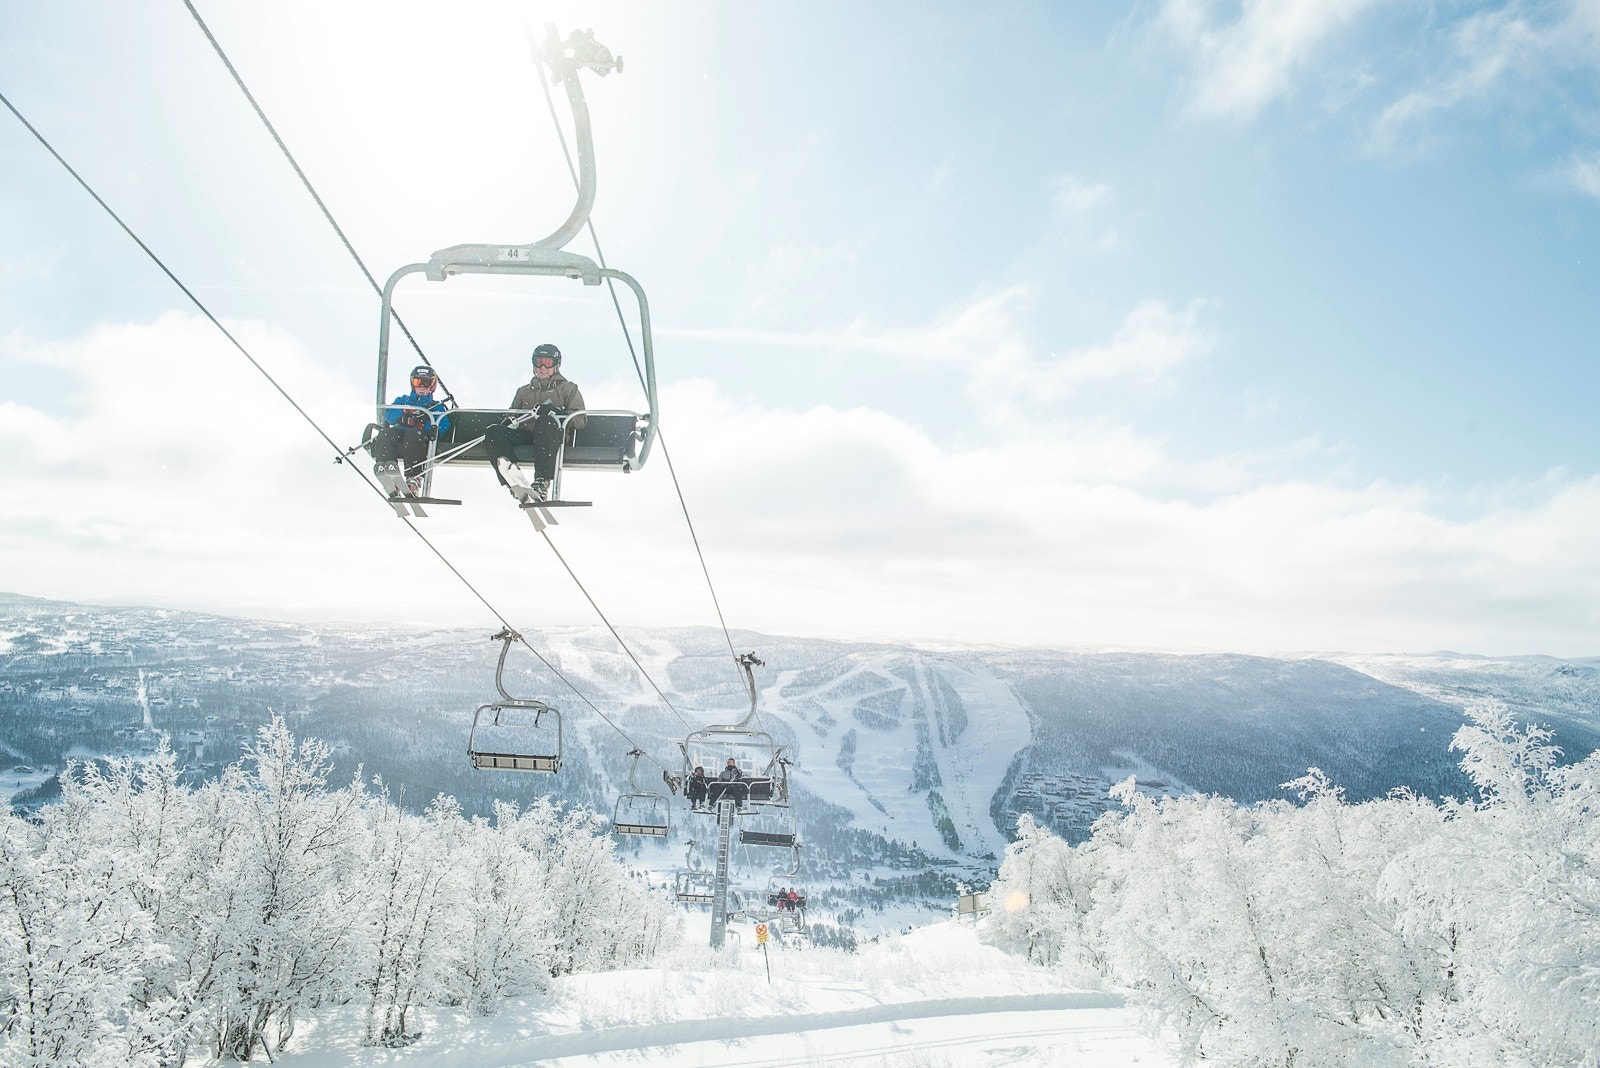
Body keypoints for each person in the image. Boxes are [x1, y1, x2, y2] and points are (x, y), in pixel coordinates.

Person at [482, 343, 586, 503]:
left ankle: (542, 481)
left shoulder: (567, 389)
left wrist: (555, 413)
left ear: (556, 366)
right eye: (539, 362)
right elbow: (512, 414)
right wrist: (508, 422)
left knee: (545, 422)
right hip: (527, 434)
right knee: (494, 431)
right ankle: (512, 479)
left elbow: (580, 420)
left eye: (548, 363)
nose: (542, 367)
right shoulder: (524, 391)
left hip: (552, 437)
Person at [372, 365, 451, 496]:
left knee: (414, 434)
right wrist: (404, 417)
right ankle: (388, 471)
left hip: (420, 440)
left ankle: (413, 478)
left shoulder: (436, 407)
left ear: (432, 386)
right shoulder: (403, 401)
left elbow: (442, 426)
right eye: (418, 382)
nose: (422, 387)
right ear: (412, 383)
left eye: (426, 383)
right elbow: (390, 415)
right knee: (386, 434)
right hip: (401, 435)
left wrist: (425, 422)